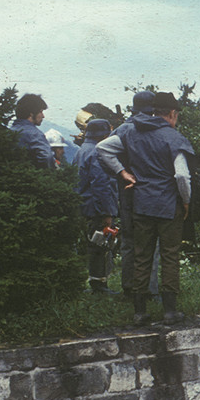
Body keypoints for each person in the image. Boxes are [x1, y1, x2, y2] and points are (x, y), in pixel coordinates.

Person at [99, 91, 193, 326]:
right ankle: (170, 311)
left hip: (141, 204)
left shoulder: (131, 131)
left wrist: (122, 172)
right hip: (168, 205)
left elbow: (103, 148)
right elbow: (182, 174)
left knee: (142, 256)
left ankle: (139, 312)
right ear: (172, 114)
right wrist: (186, 200)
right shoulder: (173, 137)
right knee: (170, 256)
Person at [97, 90, 160, 300]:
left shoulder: (123, 130)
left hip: (127, 194)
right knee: (152, 242)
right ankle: (148, 289)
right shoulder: (155, 129)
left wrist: (120, 173)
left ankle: (129, 288)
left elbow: (103, 153)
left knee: (129, 242)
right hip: (151, 193)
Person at [75, 118, 119, 294]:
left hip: (85, 205)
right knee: (101, 244)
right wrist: (106, 212)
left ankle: (95, 282)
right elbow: (101, 184)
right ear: (104, 135)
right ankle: (99, 285)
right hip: (96, 207)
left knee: (93, 243)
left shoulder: (82, 150)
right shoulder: (97, 152)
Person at [9, 94, 56, 169]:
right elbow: (46, 157)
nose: (43, 116)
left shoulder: (9, 132)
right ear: (31, 114)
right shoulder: (34, 134)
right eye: (40, 112)